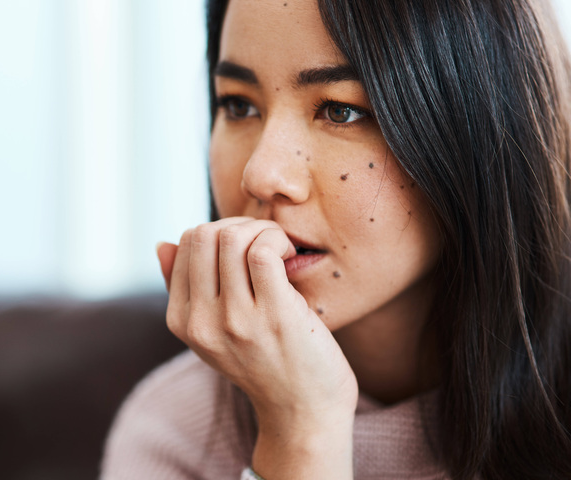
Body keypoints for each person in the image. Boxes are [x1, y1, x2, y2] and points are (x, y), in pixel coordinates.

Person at [102, 0, 571, 478]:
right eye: (238, 105)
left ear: (485, 123)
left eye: (341, 110)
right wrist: (300, 434)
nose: (260, 175)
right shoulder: (173, 434)